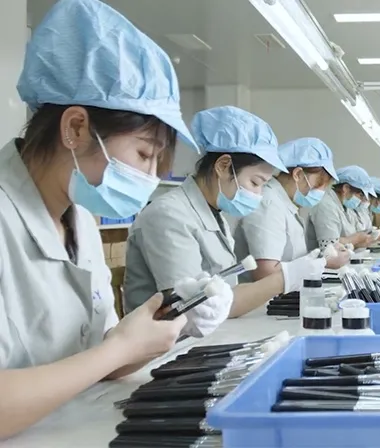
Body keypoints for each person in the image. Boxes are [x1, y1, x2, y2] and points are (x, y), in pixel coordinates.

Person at [0, 0, 224, 438]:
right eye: (144, 154)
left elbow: (97, 360)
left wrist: (168, 326)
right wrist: (117, 349)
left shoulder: (78, 219)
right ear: (77, 128)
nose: (148, 177)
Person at [124, 107, 329, 318]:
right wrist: (284, 278)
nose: (258, 194)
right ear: (223, 166)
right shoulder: (168, 216)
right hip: (171, 346)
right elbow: (197, 309)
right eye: (255, 182)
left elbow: (227, 294)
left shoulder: (215, 215)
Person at [234, 137, 351, 282]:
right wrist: (324, 262)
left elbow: (293, 261)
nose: (321, 191)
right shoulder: (269, 203)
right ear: (298, 175)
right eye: (320, 183)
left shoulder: (286, 203)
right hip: (266, 302)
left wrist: (324, 256)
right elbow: (266, 273)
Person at [307, 164, 376, 250]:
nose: (362, 200)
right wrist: (357, 239)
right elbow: (329, 246)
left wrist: (361, 241)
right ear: (346, 188)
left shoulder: (345, 207)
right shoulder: (326, 206)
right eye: (360, 195)